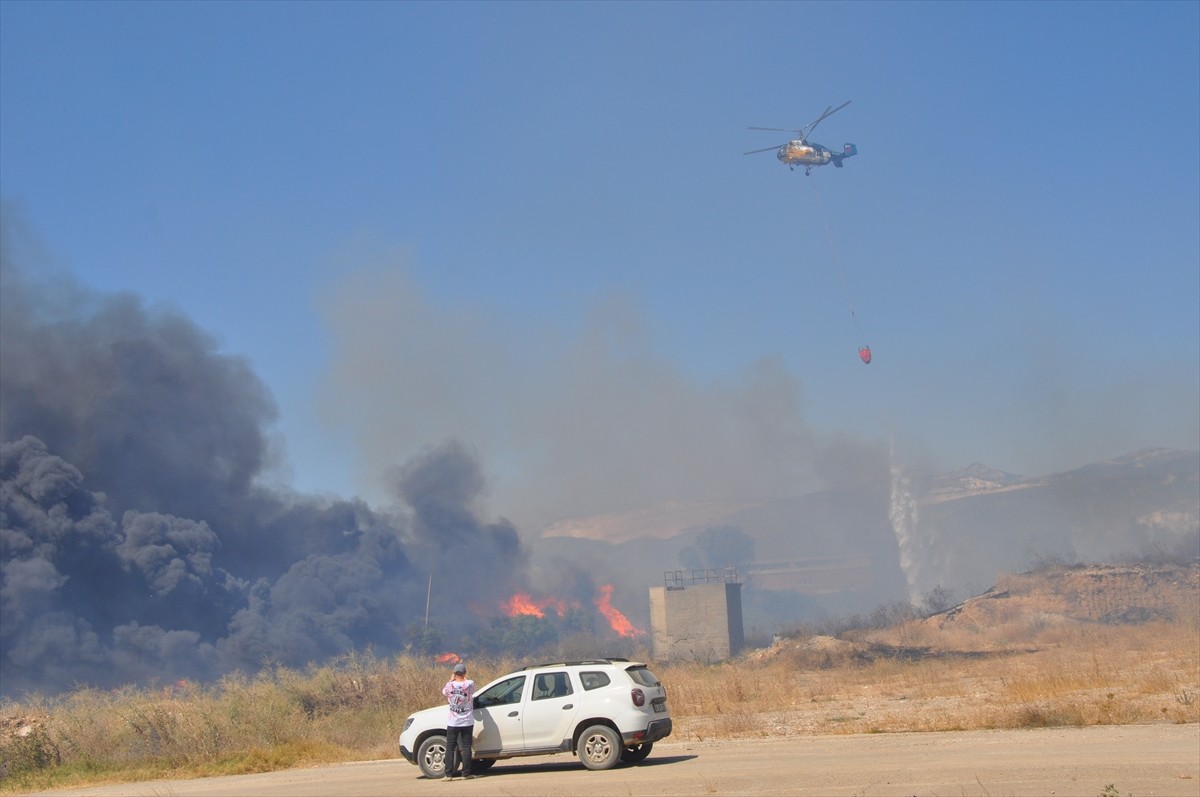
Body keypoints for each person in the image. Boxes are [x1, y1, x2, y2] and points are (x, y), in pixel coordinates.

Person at [441, 661, 476, 780]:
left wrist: (451, 680)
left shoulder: (449, 686)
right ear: (465, 673)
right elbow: (472, 688)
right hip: (467, 721)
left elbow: (444, 692)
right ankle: (466, 774)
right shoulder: (470, 684)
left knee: (450, 747)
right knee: (466, 747)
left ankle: (448, 774)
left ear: (454, 673)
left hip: (453, 722)